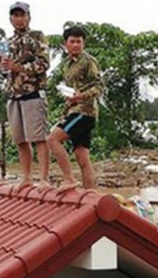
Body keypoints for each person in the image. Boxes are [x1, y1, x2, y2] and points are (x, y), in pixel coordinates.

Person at [0, 2, 50, 190]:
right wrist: (4, 66)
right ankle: (27, 177)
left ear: (28, 17)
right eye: (15, 15)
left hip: (33, 93)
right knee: (20, 140)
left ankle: (44, 178)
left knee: (39, 138)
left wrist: (17, 67)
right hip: (13, 94)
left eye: (22, 15)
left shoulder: (37, 37)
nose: (19, 19)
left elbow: (43, 64)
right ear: (10, 19)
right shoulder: (7, 42)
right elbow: (4, 72)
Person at [48, 25, 104, 192]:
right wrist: (70, 99)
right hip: (74, 109)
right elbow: (74, 89)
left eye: (79, 42)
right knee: (82, 158)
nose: (75, 45)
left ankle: (69, 179)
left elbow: (99, 87)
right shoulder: (66, 64)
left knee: (52, 139)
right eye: (72, 42)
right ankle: (90, 195)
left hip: (85, 112)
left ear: (83, 43)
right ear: (65, 44)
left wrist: (80, 97)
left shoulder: (89, 61)